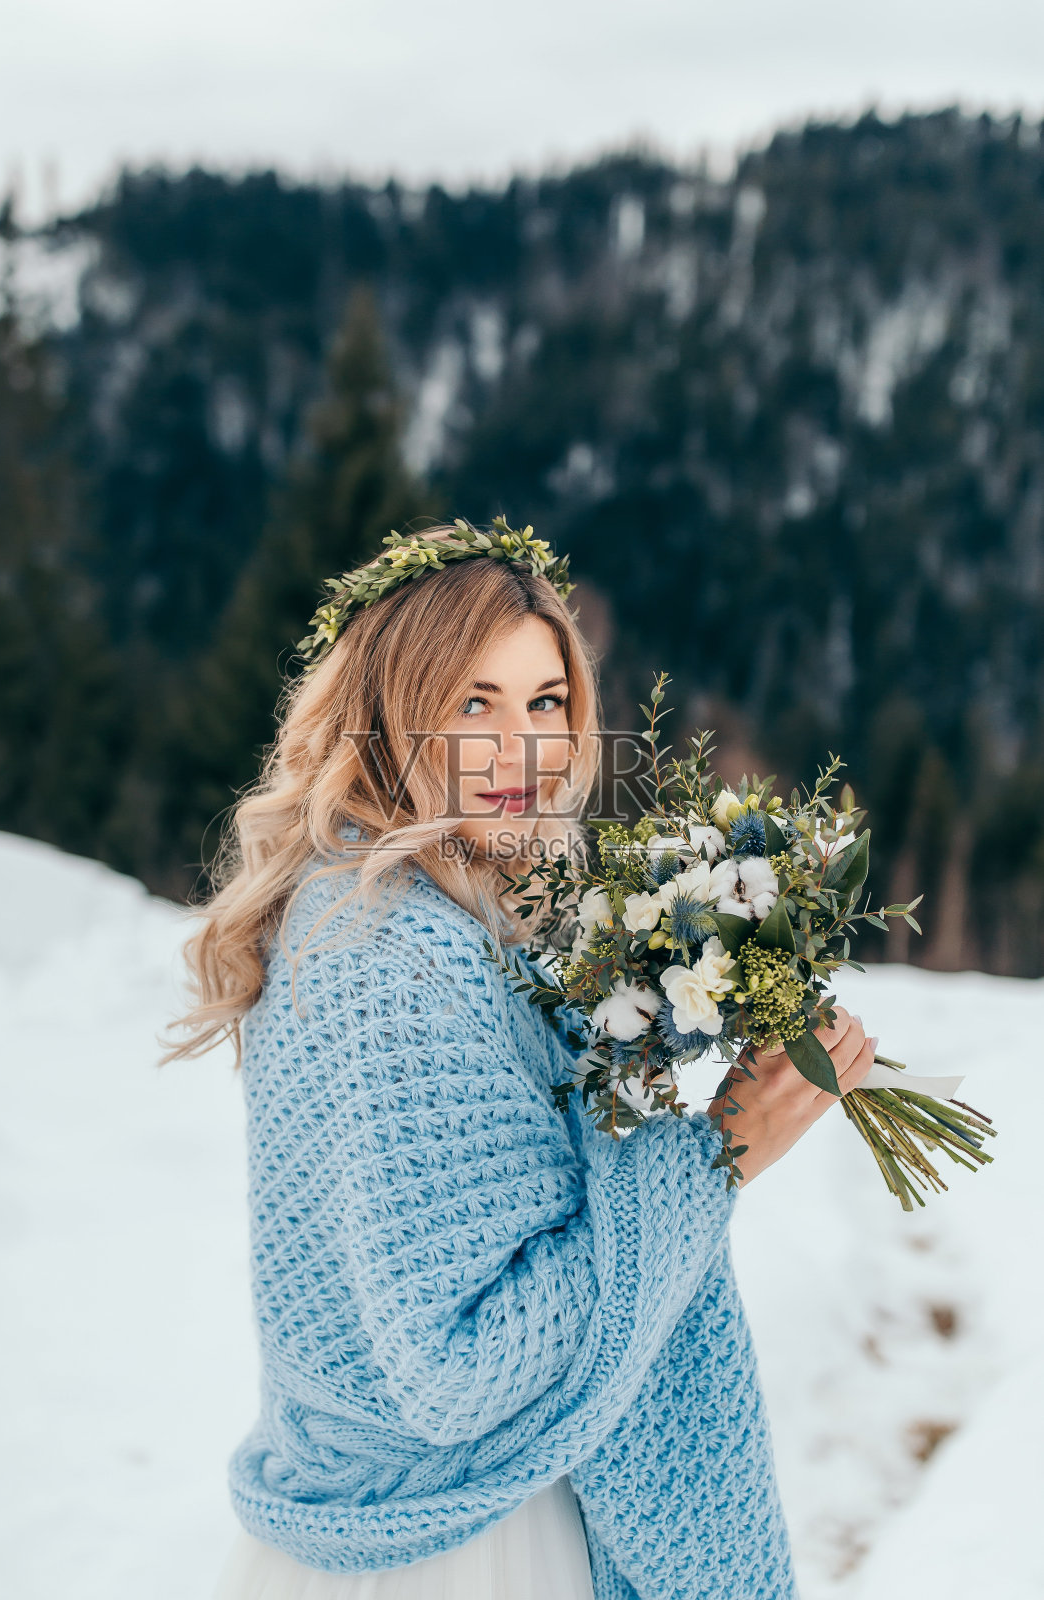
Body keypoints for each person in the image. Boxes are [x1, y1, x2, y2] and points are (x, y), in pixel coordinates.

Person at [164, 521, 877, 1600]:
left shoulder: (451, 916)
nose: (520, 750)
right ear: (390, 719)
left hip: (469, 1512)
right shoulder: (387, 953)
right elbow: (460, 1367)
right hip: (460, 1550)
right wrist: (721, 1150)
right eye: (472, 704)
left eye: (544, 702)